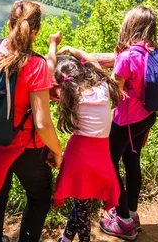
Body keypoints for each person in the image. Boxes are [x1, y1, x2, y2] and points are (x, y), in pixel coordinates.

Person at [0, 0, 63, 242]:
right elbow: (42, 124)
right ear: (35, 31)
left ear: (9, 25)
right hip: (27, 147)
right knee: (39, 198)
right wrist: (57, 151)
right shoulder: (35, 65)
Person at [47, 33, 121, 242]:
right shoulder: (103, 86)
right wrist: (70, 48)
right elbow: (92, 61)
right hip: (100, 153)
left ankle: (84, 239)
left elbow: (49, 71)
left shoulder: (70, 95)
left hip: (79, 153)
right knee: (83, 200)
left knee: (82, 205)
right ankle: (67, 237)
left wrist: (53, 46)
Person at [99, 6, 158, 241]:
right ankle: (131, 213)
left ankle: (123, 220)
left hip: (126, 121)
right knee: (132, 161)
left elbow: (114, 92)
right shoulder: (152, 51)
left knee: (110, 162)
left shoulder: (126, 57)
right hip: (146, 117)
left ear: (129, 26)